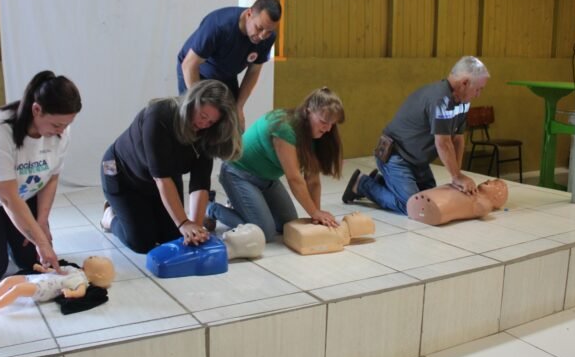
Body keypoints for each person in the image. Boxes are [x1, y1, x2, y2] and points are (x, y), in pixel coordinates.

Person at [0, 71, 82, 285]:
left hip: (22, 196)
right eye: (57, 125)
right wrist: (41, 242)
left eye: (67, 125)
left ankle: (7, 234)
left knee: (31, 262)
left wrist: (42, 222)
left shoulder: (61, 131)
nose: (62, 131)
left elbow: (52, 178)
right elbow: (7, 198)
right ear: (37, 109)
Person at [99, 80, 241, 253]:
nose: (204, 124)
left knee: (174, 237)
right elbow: (162, 178)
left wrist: (194, 227)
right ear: (192, 102)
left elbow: (200, 184)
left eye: (211, 122)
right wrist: (183, 222)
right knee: (142, 242)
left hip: (160, 178)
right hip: (121, 174)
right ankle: (109, 216)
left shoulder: (206, 133)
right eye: (203, 116)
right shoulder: (159, 115)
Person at [343, 56, 490, 214]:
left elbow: (458, 139)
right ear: (465, 83)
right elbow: (443, 142)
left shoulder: (462, 101)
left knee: (431, 199)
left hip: (417, 161)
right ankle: (363, 184)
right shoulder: (440, 99)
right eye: (478, 89)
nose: (478, 94)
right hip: (395, 155)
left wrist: (457, 175)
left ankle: (382, 182)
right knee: (415, 207)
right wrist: (457, 176)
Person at [206, 87, 345, 242]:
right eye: (324, 121)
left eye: (332, 124)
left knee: (288, 224)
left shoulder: (315, 135)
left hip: (267, 179)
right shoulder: (284, 128)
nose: (327, 128)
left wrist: (316, 214)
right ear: (308, 111)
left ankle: (238, 204)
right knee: (264, 231)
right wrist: (314, 212)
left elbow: (312, 181)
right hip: (238, 173)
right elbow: (295, 179)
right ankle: (211, 208)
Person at [176, 0, 281, 129]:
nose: (262, 36)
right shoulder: (219, 26)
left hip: (226, 74)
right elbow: (189, 64)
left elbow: (253, 72)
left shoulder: (268, 38)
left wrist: (239, 107)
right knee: (197, 120)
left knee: (231, 124)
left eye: (269, 31)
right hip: (196, 70)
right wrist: (199, 103)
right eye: (259, 28)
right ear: (249, 14)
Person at [0, 255, 115, 309]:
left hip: (44, 288)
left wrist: (70, 294)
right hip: (38, 279)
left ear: (98, 274)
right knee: (10, 280)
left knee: (18, 288)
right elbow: (56, 270)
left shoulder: (81, 281)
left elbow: (80, 292)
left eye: (97, 258)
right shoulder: (74, 269)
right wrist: (43, 269)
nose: (93, 257)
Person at [406, 179, 508, 226]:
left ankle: (425, 207)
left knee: (445, 201)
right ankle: (422, 204)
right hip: (435, 197)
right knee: (438, 192)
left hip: (443, 207)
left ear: (496, 198)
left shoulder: (484, 202)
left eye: (495, 183)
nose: (489, 180)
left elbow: (483, 209)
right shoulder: (472, 189)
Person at [284, 212, 375, 255]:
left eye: (360, 215)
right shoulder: (335, 229)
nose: (357, 212)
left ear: (359, 229)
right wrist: (316, 211)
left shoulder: (336, 236)